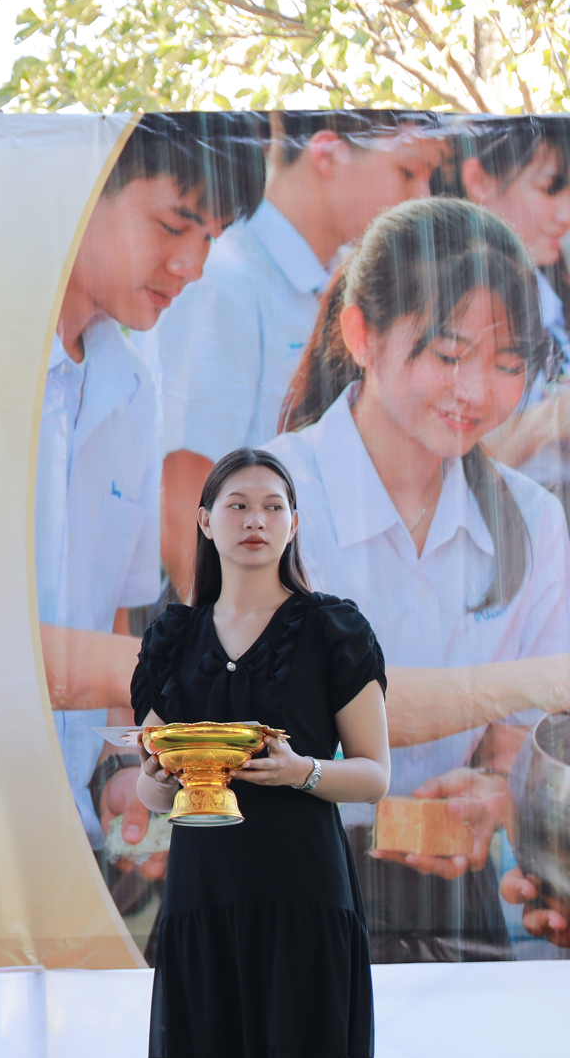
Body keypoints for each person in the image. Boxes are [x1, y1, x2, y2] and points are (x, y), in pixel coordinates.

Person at [268, 196, 570, 962]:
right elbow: (310, 706)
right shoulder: (269, 498)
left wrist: (492, 791)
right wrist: (531, 681)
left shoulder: (532, 522)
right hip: (282, 875)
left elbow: (519, 736)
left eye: (508, 364)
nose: (476, 390)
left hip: (452, 894)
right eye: (448, 353)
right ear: (361, 334)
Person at [129, 448, 392, 1058]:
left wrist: (302, 771)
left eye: (273, 507)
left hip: (303, 891)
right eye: (238, 505)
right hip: (202, 895)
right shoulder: (172, 637)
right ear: (205, 521)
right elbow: (152, 793)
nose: (256, 520)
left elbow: (373, 775)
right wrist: (157, 774)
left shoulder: (333, 629)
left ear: (294, 524)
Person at [36, 112, 266, 863]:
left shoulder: (134, 393)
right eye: (173, 225)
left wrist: (120, 771)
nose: (190, 266)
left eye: (211, 239)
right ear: (83, 193)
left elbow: (107, 621)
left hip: (64, 834)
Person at [155, 110, 443, 597]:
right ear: (327, 153)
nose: (423, 196)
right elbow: (185, 484)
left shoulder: (344, 280)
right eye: (408, 170)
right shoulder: (226, 278)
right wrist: (234, 628)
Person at [437, 116, 570, 490]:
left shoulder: (549, 298)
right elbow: (439, 467)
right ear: (479, 180)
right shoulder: (443, 303)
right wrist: (549, 419)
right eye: (549, 189)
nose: (566, 215)